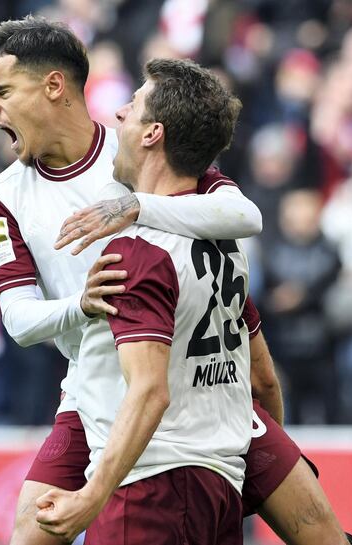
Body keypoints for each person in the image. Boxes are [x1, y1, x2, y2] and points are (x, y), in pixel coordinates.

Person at [0, 16, 352, 545]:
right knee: (29, 531)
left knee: (321, 531)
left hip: (197, 379)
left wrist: (135, 207)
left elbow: (244, 216)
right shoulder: (2, 195)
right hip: (95, 388)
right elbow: (17, 319)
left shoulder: (143, 147)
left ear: (52, 86)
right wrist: (81, 306)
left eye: (1, 91)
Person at [34, 57, 252, 544]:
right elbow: (263, 377)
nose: (116, 116)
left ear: (153, 133)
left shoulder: (138, 251)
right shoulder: (226, 245)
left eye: (130, 108)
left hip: (148, 487)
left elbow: (150, 390)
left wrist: (92, 494)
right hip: (219, 487)